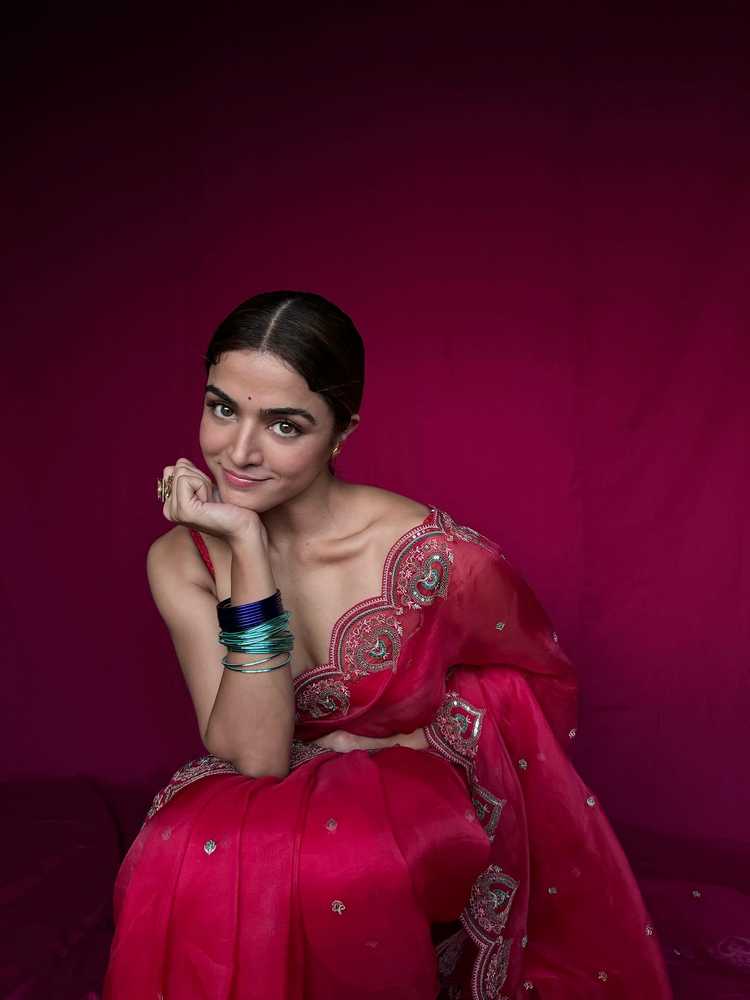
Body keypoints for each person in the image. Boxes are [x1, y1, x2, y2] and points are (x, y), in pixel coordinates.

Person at [102, 290, 672, 999]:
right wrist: (246, 547)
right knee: (184, 851)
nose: (239, 452)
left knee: (345, 860)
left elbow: (537, 685)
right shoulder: (182, 558)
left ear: (342, 433)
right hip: (271, 787)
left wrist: (397, 743)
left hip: (424, 792)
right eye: (223, 409)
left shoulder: (434, 557)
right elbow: (255, 754)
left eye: (284, 425)